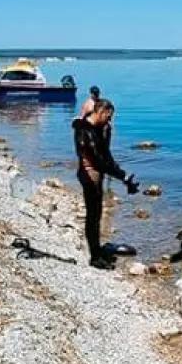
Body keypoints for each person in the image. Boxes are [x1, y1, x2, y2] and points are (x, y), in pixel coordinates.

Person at [72, 99, 139, 269]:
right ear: (100, 112)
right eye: (108, 117)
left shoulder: (98, 129)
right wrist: (119, 175)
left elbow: (106, 155)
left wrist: (123, 177)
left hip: (97, 174)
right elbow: (98, 160)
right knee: (93, 216)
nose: (109, 121)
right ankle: (95, 257)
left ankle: (97, 250)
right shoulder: (84, 131)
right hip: (89, 175)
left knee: (98, 214)